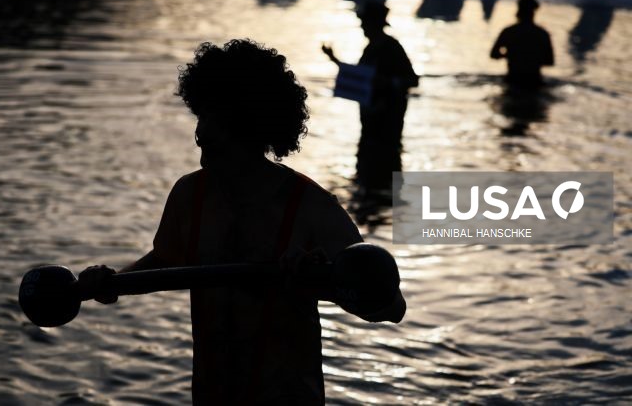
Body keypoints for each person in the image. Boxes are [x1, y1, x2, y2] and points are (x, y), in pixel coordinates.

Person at [78, 39, 405, 405]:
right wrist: (111, 283)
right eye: (200, 139)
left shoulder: (312, 208)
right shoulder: (190, 195)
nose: (202, 159)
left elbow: (391, 308)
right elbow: (165, 263)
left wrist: (322, 278)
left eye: (213, 144)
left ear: (250, 132)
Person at [322, 1, 418, 189]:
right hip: (370, 120)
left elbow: (412, 79)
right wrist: (333, 59)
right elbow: (359, 77)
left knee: (385, 166)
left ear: (375, 23)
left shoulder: (391, 47)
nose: (362, 26)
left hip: (387, 120)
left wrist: (388, 82)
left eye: (365, 22)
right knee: (367, 166)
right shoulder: (371, 47)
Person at [490, 0, 554, 87]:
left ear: (518, 11)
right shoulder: (542, 34)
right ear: (533, 12)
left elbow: (493, 54)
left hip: (512, 79)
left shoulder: (509, 32)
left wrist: (509, 54)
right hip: (535, 81)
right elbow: (549, 61)